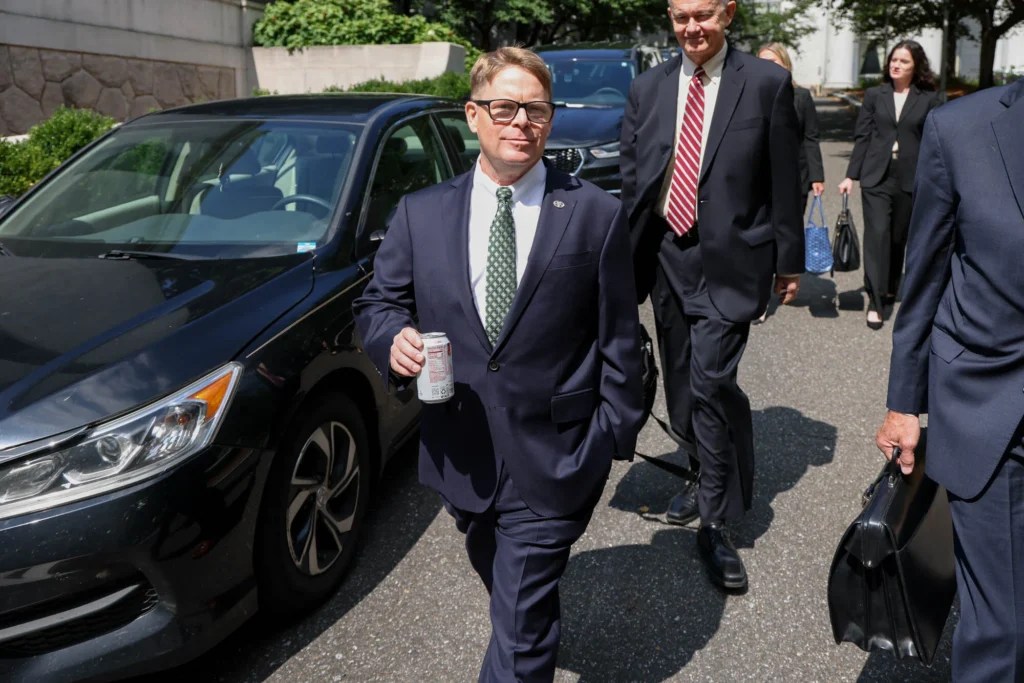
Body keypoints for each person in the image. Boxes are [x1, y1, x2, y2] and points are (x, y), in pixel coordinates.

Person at [354, 47, 643, 682]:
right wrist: (391, 340)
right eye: (505, 107)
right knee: (507, 582)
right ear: (473, 116)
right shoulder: (421, 214)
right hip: (461, 450)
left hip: (559, 451)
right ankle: (533, 624)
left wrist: (613, 436)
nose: (522, 122)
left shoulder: (595, 213)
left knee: (516, 638)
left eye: (536, 110)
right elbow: (378, 304)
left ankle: (528, 638)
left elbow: (621, 336)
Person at [620, 0, 803, 592]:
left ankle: (717, 524)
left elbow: (785, 179)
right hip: (665, 259)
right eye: (679, 17)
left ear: (728, 12)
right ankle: (704, 472)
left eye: (703, 14)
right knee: (680, 386)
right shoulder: (647, 89)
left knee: (709, 383)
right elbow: (633, 175)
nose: (691, 28)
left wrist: (788, 261)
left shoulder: (767, 84)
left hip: (732, 262)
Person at [875, 76, 1024, 682]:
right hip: (988, 405)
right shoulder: (960, 129)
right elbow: (926, 276)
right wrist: (903, 403)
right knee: (1002, 629)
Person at [837, 40, 939, 330]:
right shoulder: (874, 95)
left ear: (915, 66)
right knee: (878, 235)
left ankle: (891, 287)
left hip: (910, 176)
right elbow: (863, 136)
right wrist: (850, 175)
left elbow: (934, 143)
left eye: (904, 61)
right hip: (876, 176)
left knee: (897, 239)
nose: (896, 65)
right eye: (894, 59)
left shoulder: (929, 98)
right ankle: (876, 300)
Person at [757, 43, 825, 210]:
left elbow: (811, 137)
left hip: (795, 176)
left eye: (773, 61)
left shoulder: (801, 96)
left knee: (790, 230)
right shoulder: (752, 96)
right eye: (761, 63)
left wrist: (816, 177)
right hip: (759, 177)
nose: (767, 67)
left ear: (786, 64)